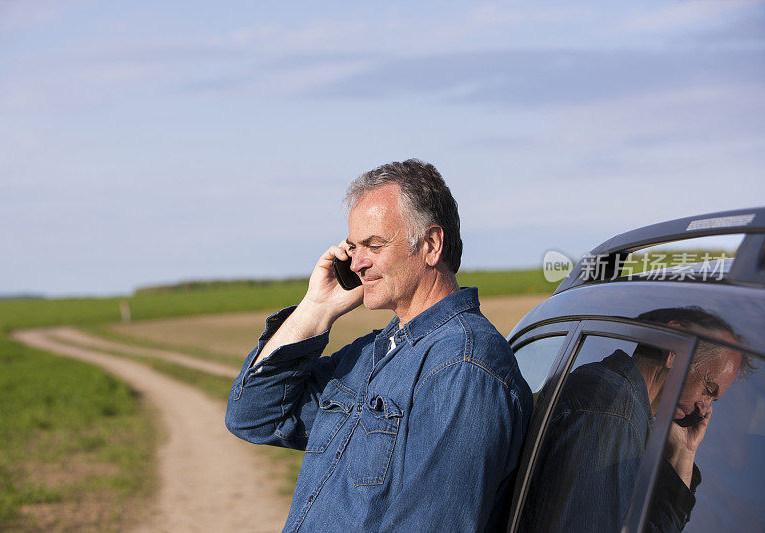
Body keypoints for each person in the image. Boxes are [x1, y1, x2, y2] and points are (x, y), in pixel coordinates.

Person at [225, 159, 533, 532]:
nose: (357, 263)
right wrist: (315, 309)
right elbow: (253, 416)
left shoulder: (462, 366)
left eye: (374, 244)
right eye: (353, 247)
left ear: (431, 244)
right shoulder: (372, 352)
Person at [520, 307, 750, 533]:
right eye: (708, 390)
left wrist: (684, 454)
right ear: (674, 350)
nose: (703, 410)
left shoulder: (622, 409)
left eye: (712, 400)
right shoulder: (613, 416)